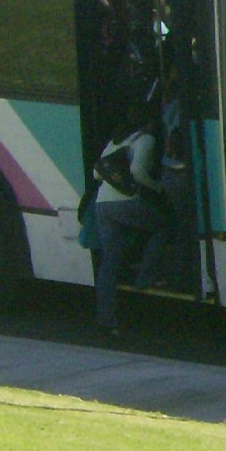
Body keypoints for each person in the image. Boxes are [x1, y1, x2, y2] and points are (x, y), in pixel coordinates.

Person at [91, 108, 168, 335]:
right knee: (161, 226)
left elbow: (97, 174)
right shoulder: (146, 140)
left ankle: (106, 319)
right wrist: (158, 188)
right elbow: (137, 171)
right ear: (148, 123)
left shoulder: (116, 140)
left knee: (109, 264)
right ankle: (145, 278)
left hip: (102, 206)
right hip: (126, 202)